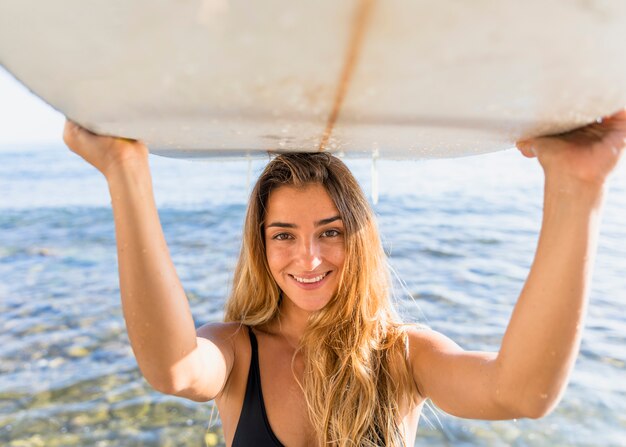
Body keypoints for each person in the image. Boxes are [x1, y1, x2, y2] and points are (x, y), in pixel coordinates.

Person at [63, 109, 626, 447]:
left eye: (329, 232)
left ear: (360, 236)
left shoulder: (403, 356)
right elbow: (173, 368)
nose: (307, 258)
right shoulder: (237, 349)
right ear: (261, 246)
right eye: (283, 234)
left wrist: (578, 188)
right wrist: (125, 171)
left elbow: (521, 392)